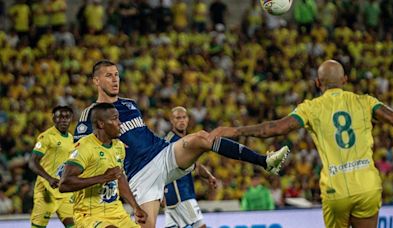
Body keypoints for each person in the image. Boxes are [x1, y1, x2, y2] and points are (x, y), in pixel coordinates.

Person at [73, 60, 289, 227]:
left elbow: (142, 135)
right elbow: (83, 153)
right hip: (139, 176)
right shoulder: (90, 114)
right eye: (108, 76)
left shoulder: (130, 104)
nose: (115, 79)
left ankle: (265, 161)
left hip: (162, 155)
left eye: (117, 75)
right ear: (96, 81)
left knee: (202, 138)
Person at [211, 59, 393, 228]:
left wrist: (236, 131)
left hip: (336, 189)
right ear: (345, 80)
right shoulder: (366, 102)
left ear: (318, 83)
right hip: (367, 185)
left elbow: (274, 128)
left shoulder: (311, 108)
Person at [59, 103, 147, 227]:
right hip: (89, 215)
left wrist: (135, 207)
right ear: (101, 124)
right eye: (115, 118)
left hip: (116, 212)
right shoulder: (84, 147)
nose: (120, 123)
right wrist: (104, 177)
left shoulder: (119, 146)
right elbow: (64, 184)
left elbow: (119, 177)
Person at [163, 106, 217, 228]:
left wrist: (208, 176)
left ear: (188, 120)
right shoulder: (169, 142)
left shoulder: (186, 140)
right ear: (171, 120)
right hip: (180, 194)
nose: (181, 120)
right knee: (200, 226)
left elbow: (196, 165)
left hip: (177, 197)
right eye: (178, 118)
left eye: (184, 117)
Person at [29, 105, 75, 228]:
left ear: (71, 119)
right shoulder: (46, 137)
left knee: (74, 225)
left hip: (64, 191)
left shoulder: (71, 139)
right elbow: (32, 162)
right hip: (46, 191)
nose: (64, 120)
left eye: (67, 117)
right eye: (60, 117)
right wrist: (49, 178)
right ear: (54, 119)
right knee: (38, 226)